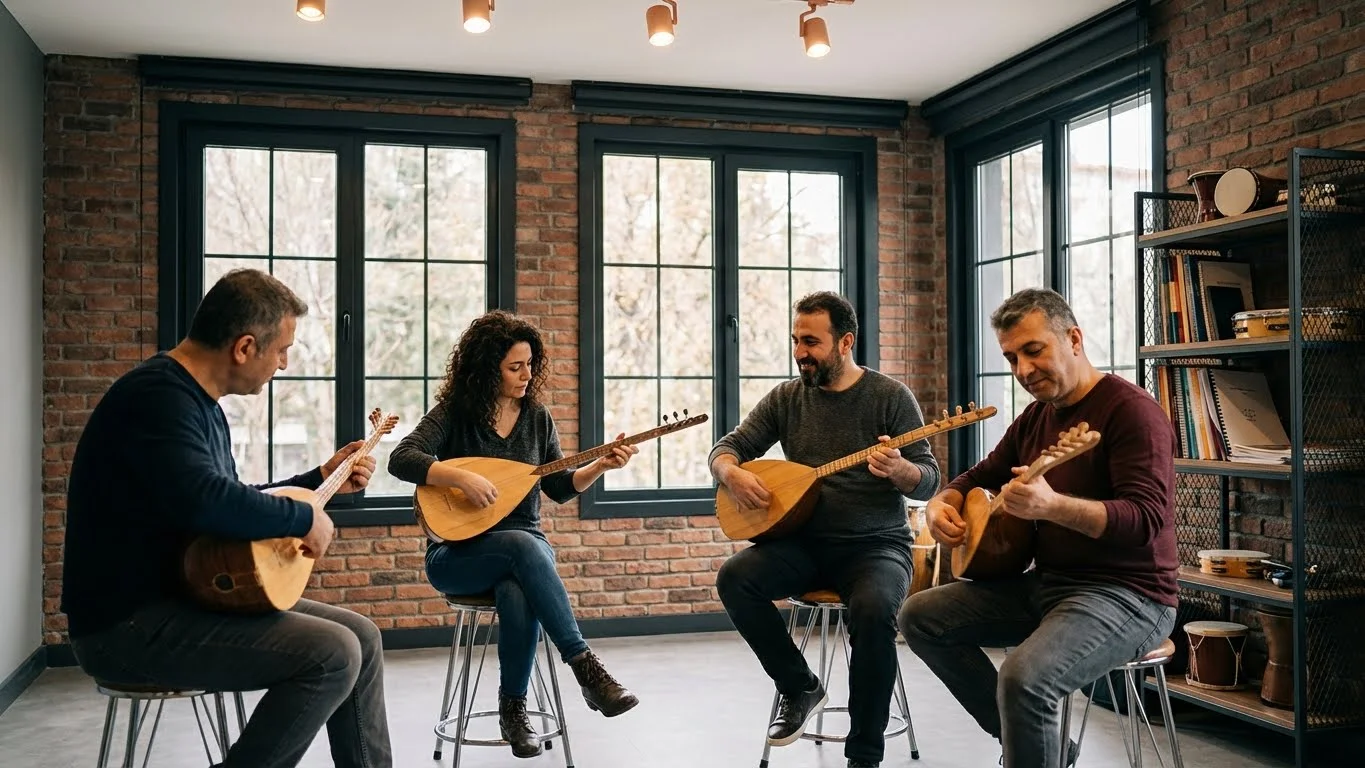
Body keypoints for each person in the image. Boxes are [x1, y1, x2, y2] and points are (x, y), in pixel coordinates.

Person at [61, 268, 393, 768]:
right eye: (281, 350)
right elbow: (204, 499)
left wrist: (317, 479)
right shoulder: (158, 398)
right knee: (334, 653)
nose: (283, 363)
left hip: (185, 601)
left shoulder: (198, 404)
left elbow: (224, 500)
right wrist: (300, 520)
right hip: (126, 626)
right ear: (243, 348)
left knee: (362, 638)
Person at [896, 287, 1179, 768]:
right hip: (1050, 585)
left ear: (1073, 338)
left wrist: (1053, 506)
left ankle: (1030, 748)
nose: (1023, 370)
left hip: (1131, 595)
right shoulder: (1036, 419)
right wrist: (944, 501)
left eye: (1033, 350)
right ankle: (1041, 748)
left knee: (1023, 678)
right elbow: (977, 477)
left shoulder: (1131, 411)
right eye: (1011, 358)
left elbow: (1146, 520)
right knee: (919, 616)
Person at [387, 309, 640, 759]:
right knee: (521, 547)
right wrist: (457, 477)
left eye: (529, 364)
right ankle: (586, 669)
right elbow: (402, 458)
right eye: (514, 367)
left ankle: (513, 712)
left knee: (518, 585)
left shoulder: (536, 419)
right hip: (456, 556)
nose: (526, 375)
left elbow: (558, 488)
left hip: (527, 555)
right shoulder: (454, 414)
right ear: (488, 368)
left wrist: (598, 466)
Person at [710, 291, 941, 768]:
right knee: (736, 577)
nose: (799, 352)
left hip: (877, 546)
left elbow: (928, 477)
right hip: (804, 544)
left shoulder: (890, 397)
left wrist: (900, 471)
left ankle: (864, 756)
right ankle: (799, 686)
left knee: (875, 612)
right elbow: (728, 447)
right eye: (795, 340)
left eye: (811, 342)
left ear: (845, 342)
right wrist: (731, 472)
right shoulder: (786, 398)